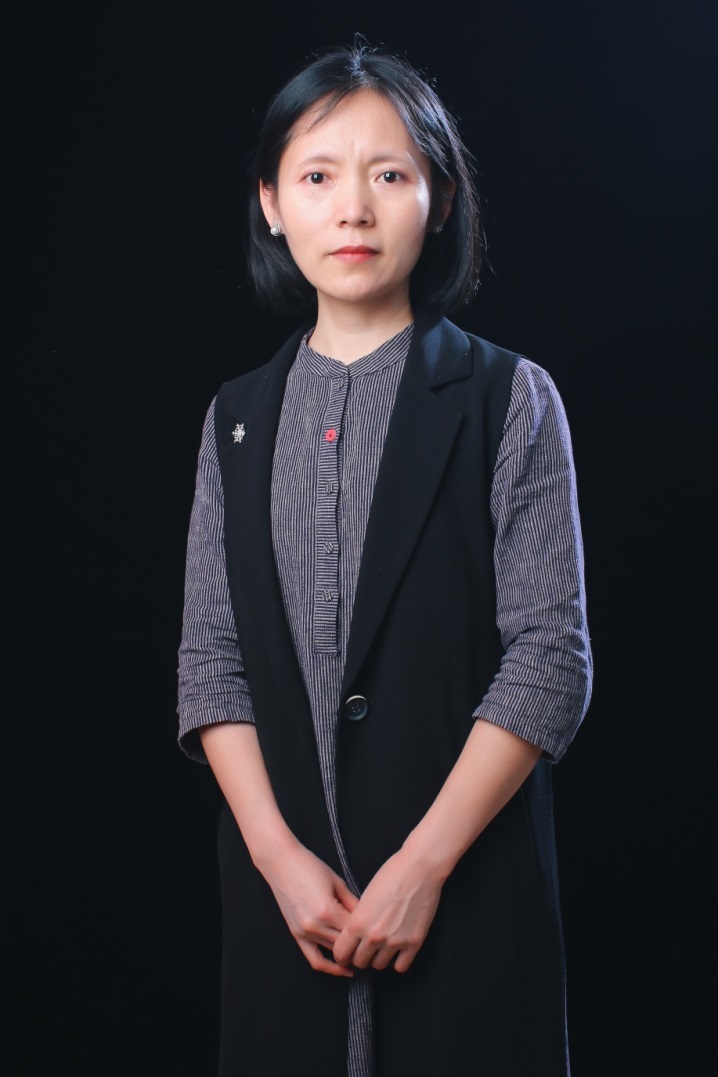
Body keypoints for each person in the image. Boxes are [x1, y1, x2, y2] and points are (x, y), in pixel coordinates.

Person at [177, 40, 592, 1077]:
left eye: (391, 175)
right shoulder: (234, 419)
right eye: (317, 176)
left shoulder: (509, 398)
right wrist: (277, 860)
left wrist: (421, 866)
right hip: (287, 918)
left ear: (438, 199)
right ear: (272, 203)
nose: (353, 209)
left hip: (463, 901)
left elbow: (551, 659)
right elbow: (210, 664)